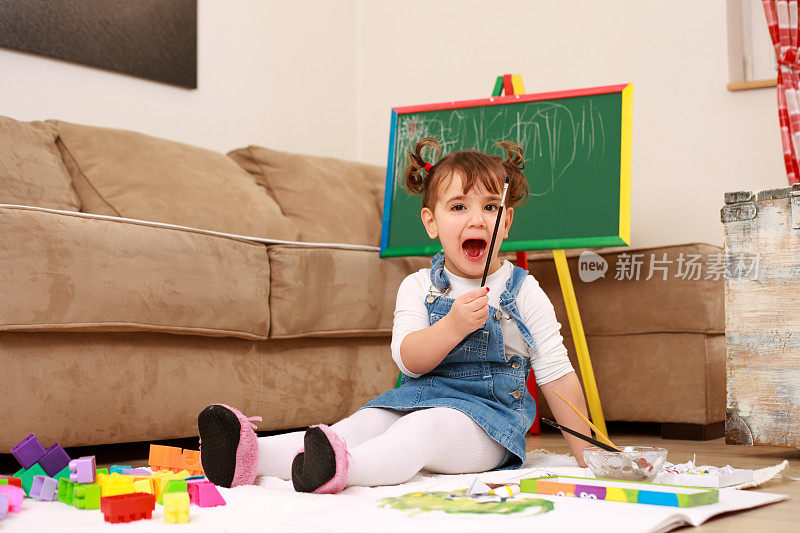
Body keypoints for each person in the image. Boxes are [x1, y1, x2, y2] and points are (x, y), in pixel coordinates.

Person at [197, 136, 593, 494]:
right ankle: (248, 454)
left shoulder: (522, 291)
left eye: (490, 207)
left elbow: (557, 375)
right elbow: (409, 360)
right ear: (431, 223)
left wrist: (589, 457)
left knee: (421, 430)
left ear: (506, 222)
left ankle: (343, 470)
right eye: (458, 207)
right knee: (360, 425)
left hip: (487, 425)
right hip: (414, 397)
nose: (476, 219)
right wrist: (453, 326)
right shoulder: (419, 287)